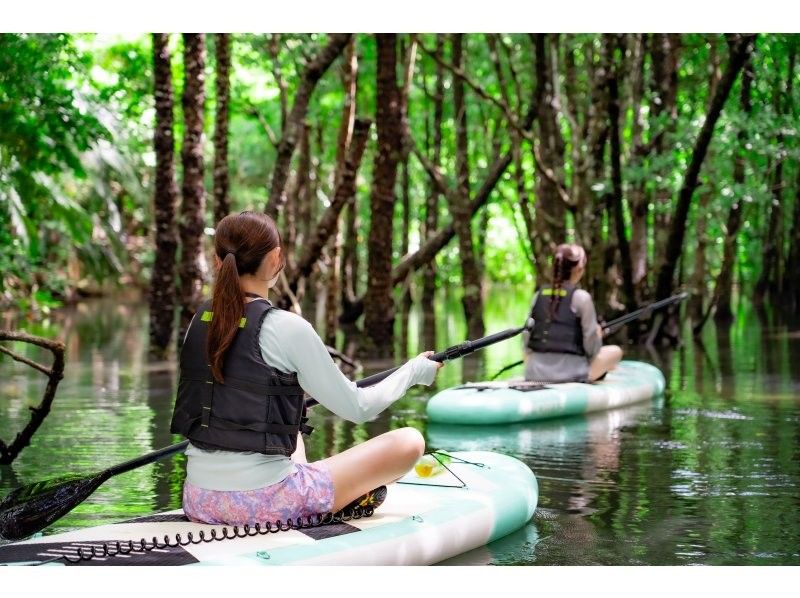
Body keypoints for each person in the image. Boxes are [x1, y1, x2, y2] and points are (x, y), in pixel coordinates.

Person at [170, 211, 442, 526]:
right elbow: (358, 408)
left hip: (199, 499)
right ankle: (334, 494)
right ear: (275, 259)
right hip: (261, 504)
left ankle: (326, 486)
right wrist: (413, 372)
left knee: (295, 432)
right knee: (410, 441)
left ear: (217, 260)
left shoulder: (199, 321)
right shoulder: (288, 328)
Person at [522, 243, 622, 383]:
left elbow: (526, 340)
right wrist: (597, 335)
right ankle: (601, 371)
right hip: (572, 374)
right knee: (615, 351)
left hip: (534, 372)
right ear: (579, 269)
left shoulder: (537, 296)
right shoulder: (582, 298)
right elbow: (591, 351)